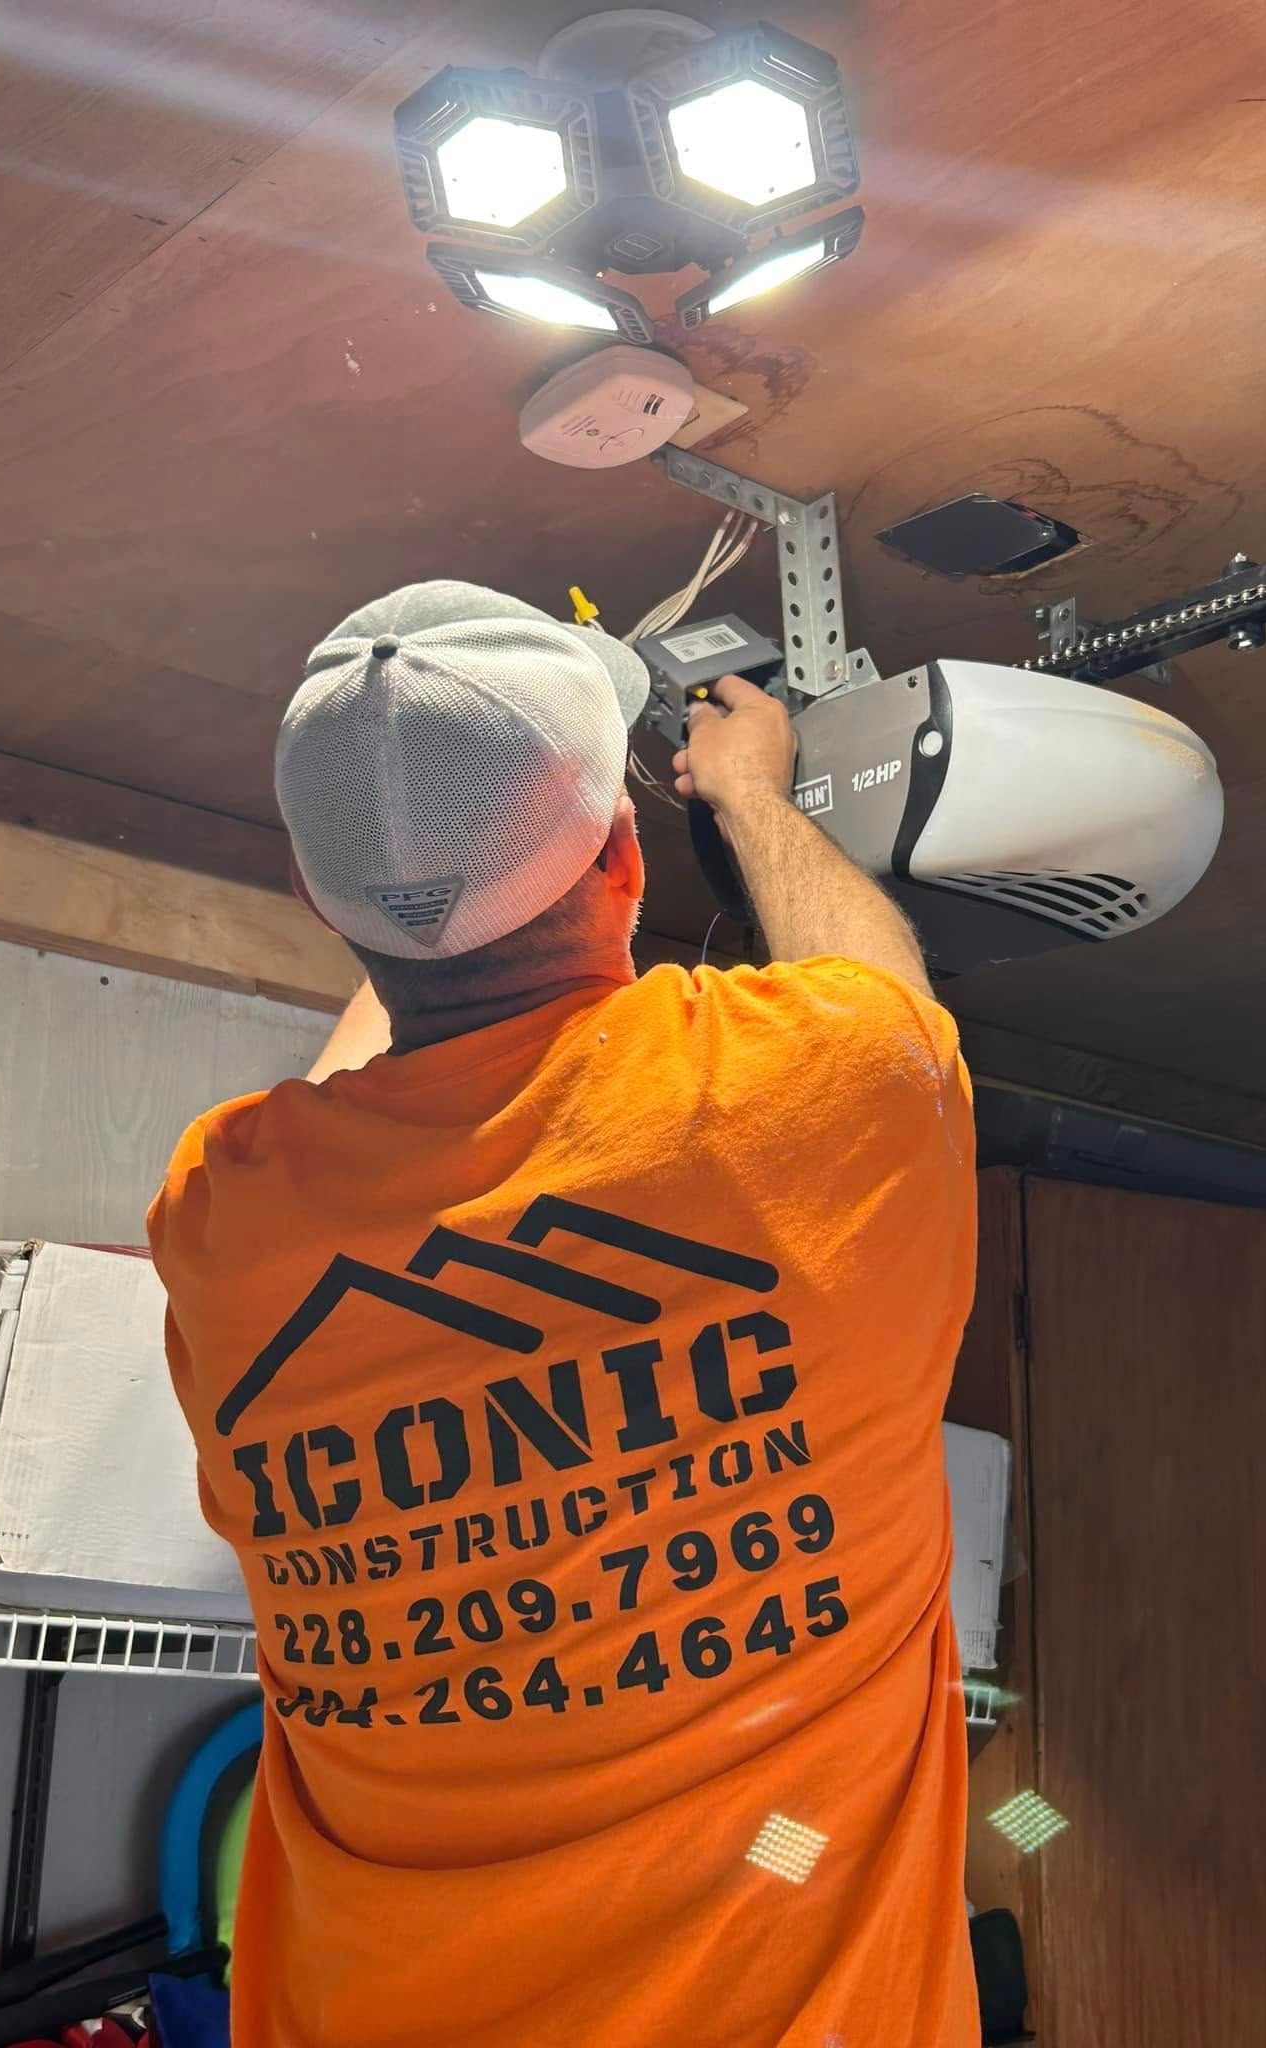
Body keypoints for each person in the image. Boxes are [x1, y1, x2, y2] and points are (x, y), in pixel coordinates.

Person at [148, 582, 979, 2048]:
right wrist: (755, 793)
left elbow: (377, 1081)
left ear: (311, 902)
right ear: (622, 851)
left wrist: (429, 875)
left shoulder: (228, 1220)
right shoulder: (832, 1092)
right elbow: (885, 995)